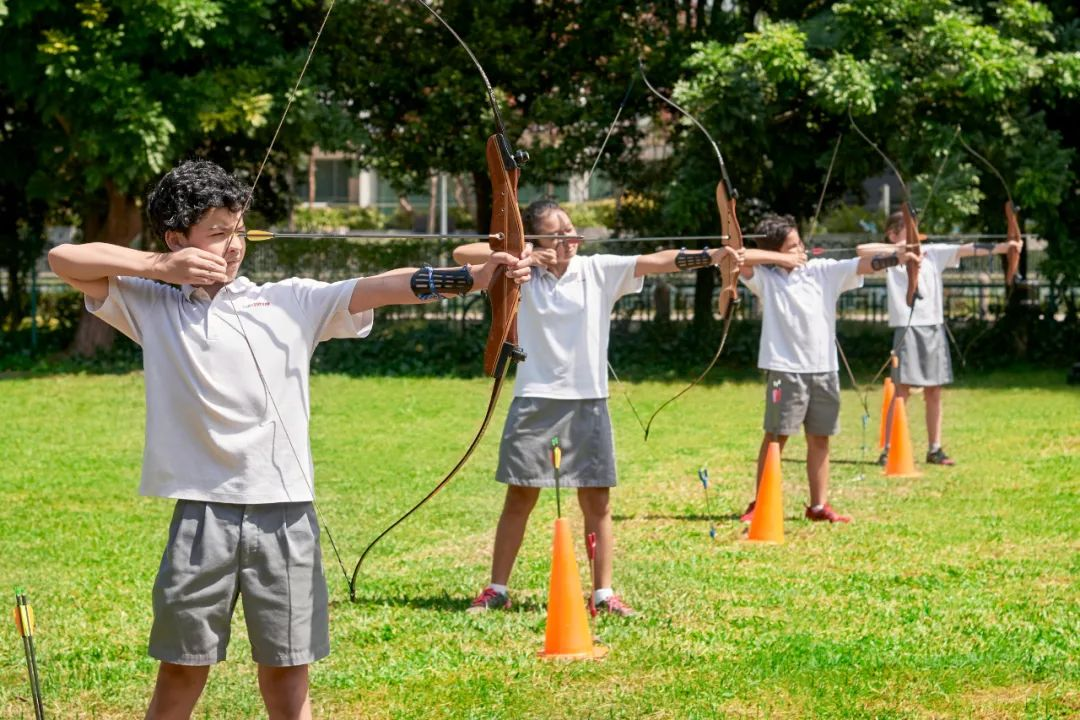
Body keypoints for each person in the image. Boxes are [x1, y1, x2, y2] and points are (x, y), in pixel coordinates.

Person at [47, 159, 530, 720]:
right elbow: (64, 260)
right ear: (179, 239)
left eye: (239, 232)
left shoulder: (289, 299)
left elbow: (376, 288)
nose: (232, 247)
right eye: (218, 233)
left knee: (287, 666)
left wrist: (469, 280)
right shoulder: (153, 305)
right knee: (182, 664)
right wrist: (163, 266)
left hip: (286, 513)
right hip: (204, 511)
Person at [455, 199, 744, 616]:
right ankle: (497, 588)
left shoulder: (597, 270)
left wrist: (709, 255)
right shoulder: (518, 274)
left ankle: (603, 595)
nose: (571, 239)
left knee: (597, 501)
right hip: (534, 398)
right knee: (519, 495)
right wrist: (523, 255)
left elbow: (655, 261)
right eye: (557, 235)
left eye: (571, 230)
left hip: (588, 401)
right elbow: (462, 256)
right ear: (535, 239)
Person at [737, 214, 919, 525]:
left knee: (820, 438)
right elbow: (740, 257)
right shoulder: (767, 280)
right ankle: (761, 502)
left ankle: (819, 506)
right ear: (777, 250)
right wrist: (783, 259)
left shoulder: (822, 271)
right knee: (776, 437)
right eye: (793, 245)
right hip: (784, 370)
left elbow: (863, 265)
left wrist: (900, 256)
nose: (801, 250)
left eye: (800, 243)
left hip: (824, 370)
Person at [858, 211, 1023, 465]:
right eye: (908, 230)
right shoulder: (890, 256)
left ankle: (935, 449)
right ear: (892, 234)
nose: (917, 236)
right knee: (902, 390)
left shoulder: (932, 253)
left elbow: (969, 248)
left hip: (933, 326)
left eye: (916, 231)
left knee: (934, 390)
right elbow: (862, 250)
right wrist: (902, 248)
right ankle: (890, 449)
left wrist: (1007, 247)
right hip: (907, 327)